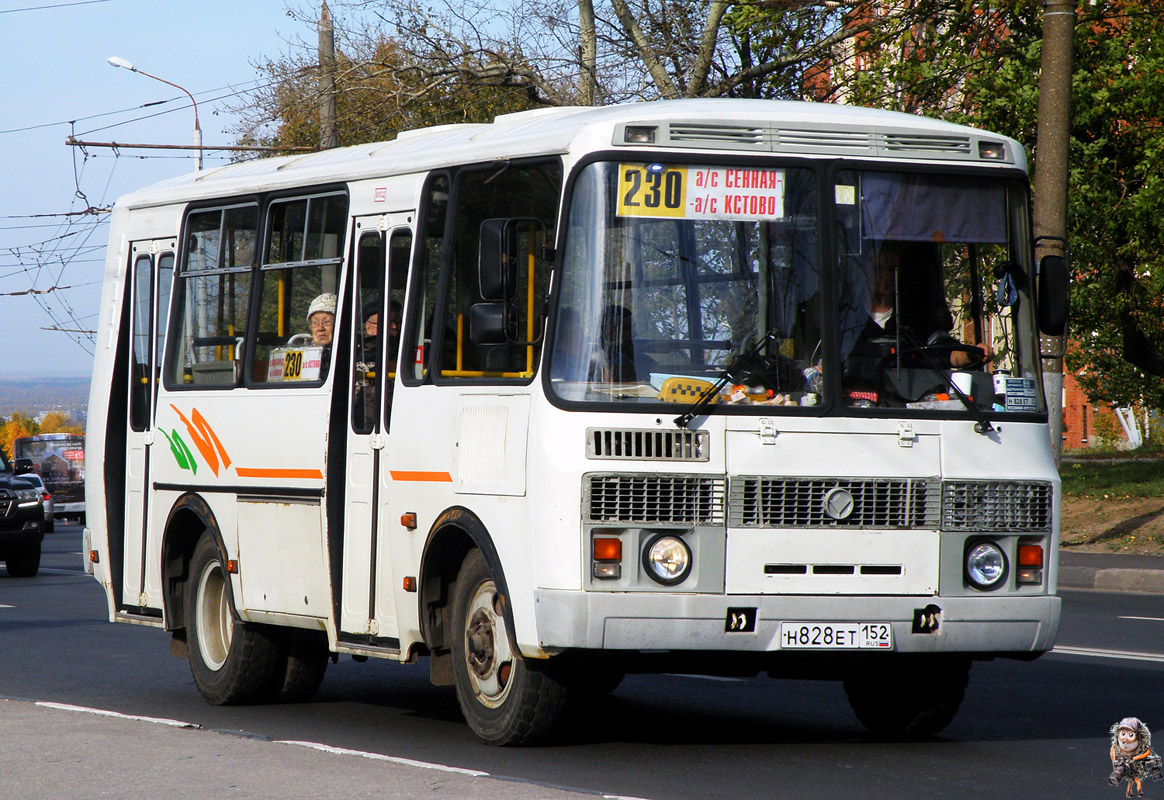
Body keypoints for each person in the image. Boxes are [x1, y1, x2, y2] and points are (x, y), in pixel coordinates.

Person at [844, 243, 991, 393]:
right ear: (863, 272)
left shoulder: (915, 319)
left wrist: (973, 354)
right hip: (858, 409)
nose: (886, 276)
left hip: (909, 406)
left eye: (892, 270)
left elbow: (947, 353)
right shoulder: (845, 318)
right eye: (877, 269)